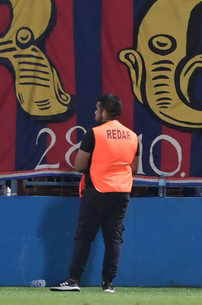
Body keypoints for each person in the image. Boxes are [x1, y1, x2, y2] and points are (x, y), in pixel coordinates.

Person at [51, 93, 138, 293]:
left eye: (97, 109)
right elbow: (133, 168)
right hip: (122, 191)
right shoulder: (132, 136)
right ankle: (108, 284)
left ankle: (73, 280)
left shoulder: (95, 133)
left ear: (104, 112)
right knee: (114, 238)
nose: (95, 113)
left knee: (84, 236)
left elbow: (79, 165)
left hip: (97, 190)